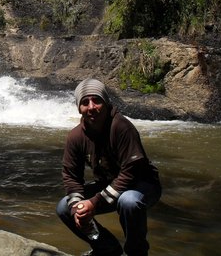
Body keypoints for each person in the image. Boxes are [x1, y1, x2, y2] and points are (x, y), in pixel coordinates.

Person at [56, 78, 161, 256]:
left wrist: (94, 202)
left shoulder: (122, 127)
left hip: (142, 185)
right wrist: (78, 208)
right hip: (109, 184)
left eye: (96, 100)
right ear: (79, 108)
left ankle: (136, 252)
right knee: (64, 208)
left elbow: (131, 172)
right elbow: (71, 177)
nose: (91, 107)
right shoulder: (75, 137)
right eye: (85, 102)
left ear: (106, 102)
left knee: (128, 201)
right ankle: (107, 248)